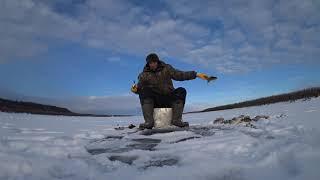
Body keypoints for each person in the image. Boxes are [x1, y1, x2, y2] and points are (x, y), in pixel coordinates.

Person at [131, 53, 214, 129]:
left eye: (154, 62)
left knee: (181, 91)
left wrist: (196, 74)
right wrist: (135, 89)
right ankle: (149, 122)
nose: (153, 64)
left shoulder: (167, 68)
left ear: (157, 61)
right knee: (145, 90)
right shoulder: (144, 75)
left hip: (169, 97)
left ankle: (176, 120)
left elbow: (180, 75)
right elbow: (139, 90)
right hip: (155, 101)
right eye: (150, 63)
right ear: (148, 64)